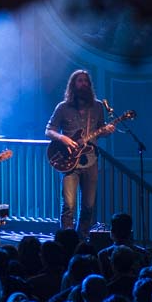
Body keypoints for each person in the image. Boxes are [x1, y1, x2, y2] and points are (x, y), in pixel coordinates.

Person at [45, 69, 114, 236]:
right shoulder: (63, 107)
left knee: (88, 205)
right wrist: (63, 139)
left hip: (90, 160)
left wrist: (107, 130)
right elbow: (49, 130)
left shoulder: (97, 106)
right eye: (80, 81)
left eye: (86, 81)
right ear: (73, 85)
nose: (84, 83)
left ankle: (82, 238)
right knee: (68, 205)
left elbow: (99, 129)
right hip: (69, 162)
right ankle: (67, 239)